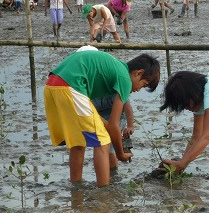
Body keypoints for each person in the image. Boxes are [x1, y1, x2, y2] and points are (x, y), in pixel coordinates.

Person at [44, 50, 160, 187]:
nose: (139, 89)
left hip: (52, 85)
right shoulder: (125, 79)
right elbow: (113, 126)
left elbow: (105, 122)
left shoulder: (116, 67)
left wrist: (115, 134)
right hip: (70, 86)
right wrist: (120, 153)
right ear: (138, 73)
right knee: (103, 141)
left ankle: (75, 188)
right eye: (144, 84)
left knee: (78, 141)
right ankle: (104, 192)